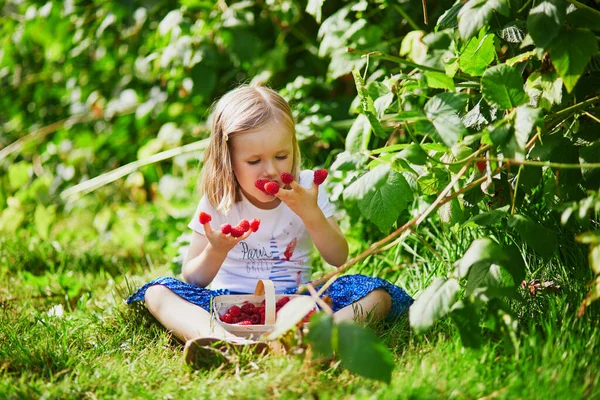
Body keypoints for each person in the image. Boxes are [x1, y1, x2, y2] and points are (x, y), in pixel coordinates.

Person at [126, 85, 413, 365]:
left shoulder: (307, 188)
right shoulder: (220, 199)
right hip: (230, 306)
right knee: (158, 292)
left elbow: (337, 257)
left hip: (299, 300)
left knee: (376, 295)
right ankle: (224, 342)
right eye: (254, 160)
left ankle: (315, 342)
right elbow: (193, 279)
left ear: (293, 147)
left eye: (281, 156)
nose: (272, 170)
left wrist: (311, 214)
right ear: (228, 161)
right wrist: (216, 250)